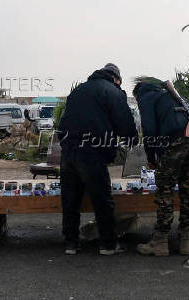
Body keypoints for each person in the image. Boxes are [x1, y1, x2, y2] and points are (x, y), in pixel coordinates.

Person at [57, 63, 138, 255]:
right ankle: (108, 245)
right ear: (116, 79)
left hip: (68, 150)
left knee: (70, 199)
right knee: (102, 199)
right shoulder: (113, 92)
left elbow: (64, 121)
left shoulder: (79, 90)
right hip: (92, 152)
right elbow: (124, 122)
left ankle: (70, 244)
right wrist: (132, 139)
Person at [133, 78, 189, 256]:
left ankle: (160, 242)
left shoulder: (146, 97)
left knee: (165, 192)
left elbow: (148, 129)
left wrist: (151, 157)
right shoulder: (173, 96)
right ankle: (185, 241)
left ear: (138, 93)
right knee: (187, 192)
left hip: (172, 144)